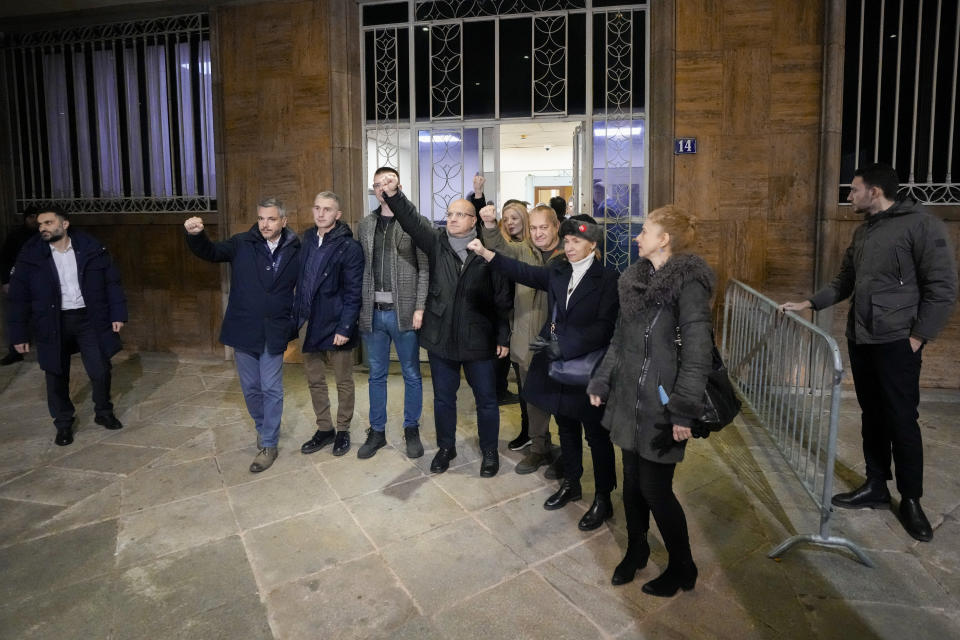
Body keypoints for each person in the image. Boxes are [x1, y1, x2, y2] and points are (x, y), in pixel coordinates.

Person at [779, 163, 957, 542]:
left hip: (897, 343)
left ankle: (911, 499)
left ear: (875, 192)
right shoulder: (863, 233)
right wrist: (808, 303)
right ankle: (876, 485)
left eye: (854, 190)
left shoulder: (922, 226)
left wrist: (918, 337)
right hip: (862, 339)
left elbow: (941, 288)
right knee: (872, 416)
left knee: (902, 421)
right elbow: (844, 281)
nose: (849, 196)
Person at [588, 205, 714, 597]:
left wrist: (683, 410)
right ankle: (636, 548)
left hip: (664, 405)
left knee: (657, 490)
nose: (637, 237)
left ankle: (683, 566)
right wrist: (602, 379)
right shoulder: (635, 281)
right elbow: (620, 341)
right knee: (632, 484)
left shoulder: (689, 285)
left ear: (665, 239)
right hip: (629, 399)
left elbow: (697, 353)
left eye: (645, 231)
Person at [468, 214, 619, 531]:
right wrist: (487, 254)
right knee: (566, 428)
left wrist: (562, 344)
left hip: (589, 370)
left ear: (593, 244)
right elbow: (522, 271)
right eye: (567, 241)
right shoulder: (559, 271)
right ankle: (572, 482)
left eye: (577, 241)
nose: (571, 246)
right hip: (559, 367)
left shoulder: (607, 279)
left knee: (597, 437)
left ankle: (603, 497)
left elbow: (603, 329)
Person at [378, 172, 512, 478]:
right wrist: (395, 193)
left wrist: (503, 333)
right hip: (441, 336)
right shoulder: (436, 243)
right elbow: (412, 220)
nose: (452, 219)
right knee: (442, 398)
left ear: (473, 220)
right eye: (449, 214)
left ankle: (489, 452)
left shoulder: (487, 250)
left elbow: (503, 296)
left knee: (487, 400)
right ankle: (446, 447)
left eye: (459, 214)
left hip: (479, 337)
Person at [184, 198, 300, 473]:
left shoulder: (297, 248)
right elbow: (210, 252)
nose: (265, 224)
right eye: (261, 218)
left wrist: (294, 320)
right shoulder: (241, 243)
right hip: (243, 328)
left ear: (283, 221)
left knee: (271, 386)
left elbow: (306, 285)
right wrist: (195, 235)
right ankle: (263, 427)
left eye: (271, 219)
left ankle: (269, 443)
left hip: (274, 329)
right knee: (250, 388)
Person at [7, 207, 127, 446]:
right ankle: (63, 423)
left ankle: (103, 412)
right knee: (56, 373)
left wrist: (118, 313)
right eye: (40, 224)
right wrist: (18, 334)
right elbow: (18, 297)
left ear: (65, 224)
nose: (43, 228)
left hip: (89, 318)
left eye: (49, 223)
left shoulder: (92, 248)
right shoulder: (31, 255)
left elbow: (111, 282)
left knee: (100, 369)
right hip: (52, 321)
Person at [477, 203, 564, 473]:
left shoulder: (568, 254)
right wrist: (490, 225)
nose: (538, 233)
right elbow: (502, 248)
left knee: (563, 403)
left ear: (556, 227)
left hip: (560, 347)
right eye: (534, 228)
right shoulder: (525, 250)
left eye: (544, 227)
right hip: (527, 342)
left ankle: (569, 455)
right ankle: (540, 448)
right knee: (533, 399)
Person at [354, 168, 429, 460]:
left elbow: (425, 268)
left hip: (405, 312)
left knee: (411, 372)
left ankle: (411, 428)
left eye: (387, 182)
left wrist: (420, 306)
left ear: (398, 185)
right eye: (376, 184)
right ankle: (377, 432)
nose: (381, 188)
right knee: (376, 375)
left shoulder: (414, 222)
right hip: (373, 314)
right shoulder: (365, 224)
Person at [297, 191, 364, 458]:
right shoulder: (307, 240)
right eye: (317, 208)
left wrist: (345, 327)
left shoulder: (349, 247)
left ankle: (343, 429)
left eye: (327, 209)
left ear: (337, 215)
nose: (321, 213)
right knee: (314, 380)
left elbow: (353, 291)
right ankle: (324, 429)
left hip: (336, 323)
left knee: (343, 381)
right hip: (308, 321)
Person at [1, 206, 39, 365]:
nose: (33, 220)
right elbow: (5, 259)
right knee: (17, 316)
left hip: (40, 282)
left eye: (36, 216)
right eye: (30, 216)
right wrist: (5, 281)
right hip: (18, 282)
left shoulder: (44, 235)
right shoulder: (16, 236)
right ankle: (15, 351)